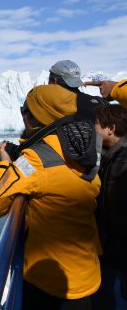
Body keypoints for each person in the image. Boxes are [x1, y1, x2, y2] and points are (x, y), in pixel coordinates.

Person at [0, 84, 101, 309]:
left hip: (51, 284)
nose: (23, 117)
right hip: (88, 272)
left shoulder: (35, 159)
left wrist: (4, 163)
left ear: (35, 117)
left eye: (24, 112)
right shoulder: (87, 146)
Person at [92, 105, 127, 309]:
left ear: (110, 128)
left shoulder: (123, 161)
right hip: (111, 243)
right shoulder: (108, 156)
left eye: (95, 124)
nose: (92, 128)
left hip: (120, 245)